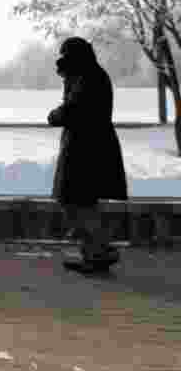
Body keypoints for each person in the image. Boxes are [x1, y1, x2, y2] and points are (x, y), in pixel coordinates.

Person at [47, 37, 127, 274]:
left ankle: (99, 251)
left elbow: (74, 110)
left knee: (77, 202)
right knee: (80, 202)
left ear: (75, 56)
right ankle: (95, 252)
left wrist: (54, 115)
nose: (61, 59)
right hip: (88, 147)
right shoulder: (86, 74)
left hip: (86, 149)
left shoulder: (88, 77)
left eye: (65, 55)